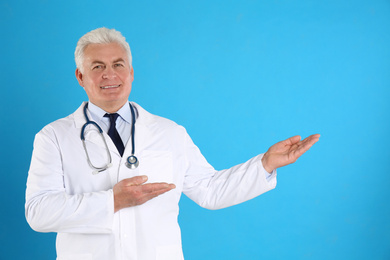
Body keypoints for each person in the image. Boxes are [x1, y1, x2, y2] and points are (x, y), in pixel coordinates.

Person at [25, 27, 320, 260]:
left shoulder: (169, 132)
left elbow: (210, 191)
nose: (109, 74)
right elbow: (38, 212)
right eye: (97, 66)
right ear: (80, 76)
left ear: (131, 73)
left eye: (118, 64)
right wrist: (112, 201)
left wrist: (265, 164)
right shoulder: (54, 137)